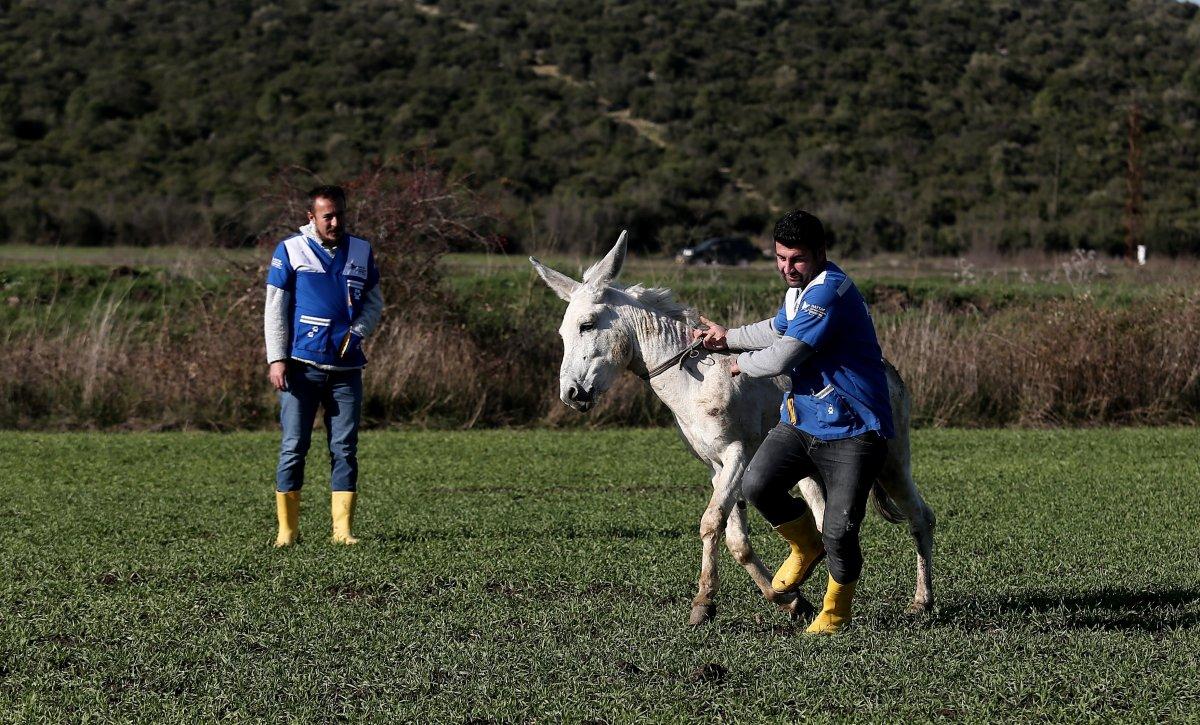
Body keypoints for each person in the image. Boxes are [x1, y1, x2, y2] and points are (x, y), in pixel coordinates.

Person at [693, 210, 893, 634]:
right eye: (780, 258)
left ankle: (836, 611)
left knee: (840, 530)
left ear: (821, 253)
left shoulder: (828, 295)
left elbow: (782, 355)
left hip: (854, 429)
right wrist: (727, 335)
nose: (787, 268)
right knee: (757, 483)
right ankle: (805, 544)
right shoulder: (800, 292)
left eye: (796, 259)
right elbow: (774, 328)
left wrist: (736, 364)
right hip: (804, 421)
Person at [264, 185, 383, 547]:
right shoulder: (290, 250)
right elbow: (275, 309)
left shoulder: (361, 251)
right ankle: (287, 531)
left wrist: (359, 331)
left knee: (344, 448)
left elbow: (374, 302)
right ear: (310, 217)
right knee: (293, 447)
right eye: (327, 215)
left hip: (347, 371)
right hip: (301, 368)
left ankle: (342, 531)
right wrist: (277, 359)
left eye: (340, 214)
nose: (335, 221)